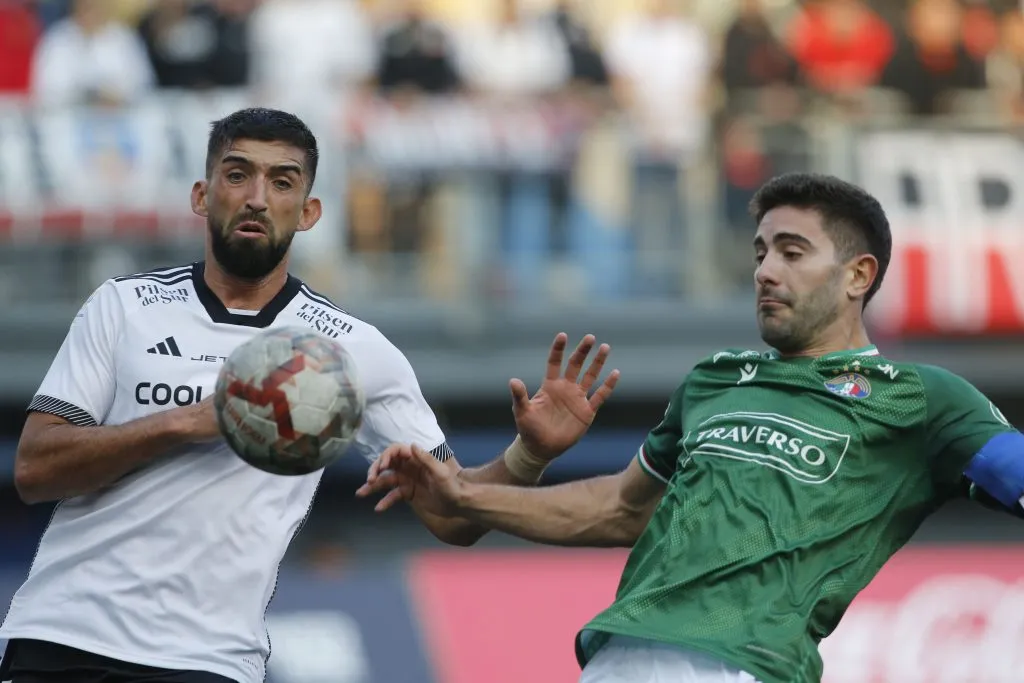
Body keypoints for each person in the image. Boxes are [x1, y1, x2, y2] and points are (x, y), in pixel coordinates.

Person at [0, 108, 619, 683]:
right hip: (60, 637)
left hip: (205, 661)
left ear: (309, 211)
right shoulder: (123, 306)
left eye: (282, 182)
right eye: (237, 174)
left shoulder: (352, 352)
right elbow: (34, 469)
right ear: (201, 195)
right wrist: (185, 422)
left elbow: (453, 515)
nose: (257, 197)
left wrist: (530, 454)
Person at [358, 172, 1024, 683]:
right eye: (761, 252)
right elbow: (620, 508)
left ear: (858, 274)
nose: (766, 271)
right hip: (614, 658)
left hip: (744, 663)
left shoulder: (919, 397)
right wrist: (503, 469)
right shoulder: (715, 379)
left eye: (792, 252)